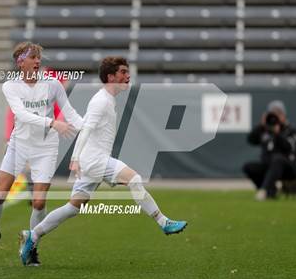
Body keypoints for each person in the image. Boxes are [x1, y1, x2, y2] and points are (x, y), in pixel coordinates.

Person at [19, 56, 188, 266]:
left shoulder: (106, 99)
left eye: (127, 72)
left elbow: (86, 127)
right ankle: (164, 222)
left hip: (91, 160)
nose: (128, 76)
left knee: (73, 207)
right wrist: (75, 159)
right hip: (95, 160)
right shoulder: (101, 101)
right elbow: (86, 130)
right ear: (111, 76)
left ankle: (32, 236)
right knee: (134, 179)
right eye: (123, 72)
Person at [0, 42, 83, 264]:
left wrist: (90, 127)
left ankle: (32, 245)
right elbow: (21, 115)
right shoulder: (10, 86)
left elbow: (71, 114)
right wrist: (52, 122)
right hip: (19, 145)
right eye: (33, 57)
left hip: (46, 148)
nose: (38, 61)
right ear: (20, 62)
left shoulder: (52, 84)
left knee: (38, 203)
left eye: (39, 57)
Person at [243, 100, 296, 200]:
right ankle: (271, 191)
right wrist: (261, 125)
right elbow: (251, 139)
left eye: (278, 113)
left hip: (289, 168)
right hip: (269, 166)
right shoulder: (265, 130)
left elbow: (289, 147)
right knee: (248, 167)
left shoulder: (291, 130)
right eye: (272, 113)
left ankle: (264, 191)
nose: (275, 117)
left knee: (277, 159)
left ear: (283, 115)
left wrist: (277, 134)